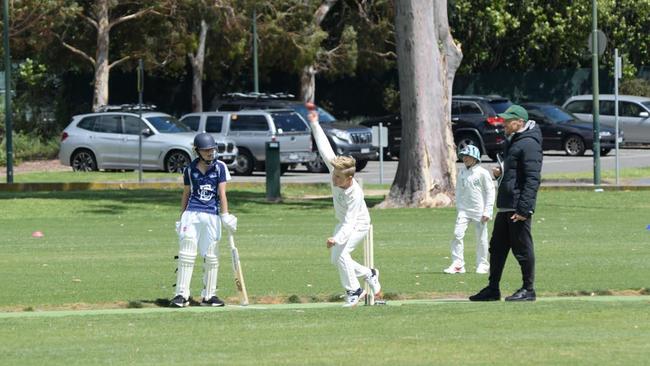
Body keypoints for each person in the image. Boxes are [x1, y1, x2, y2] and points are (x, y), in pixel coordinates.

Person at [307, 108, 381, 307]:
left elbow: (350, 223)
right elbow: (324, 149)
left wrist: (336, 238)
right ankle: (369, 273)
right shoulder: (336, 170)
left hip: (359, 224)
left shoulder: (355, 193)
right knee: (336, 259)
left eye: (338, 177)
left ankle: (354, 290)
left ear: (349, 178)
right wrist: (315, 124)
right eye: (334, 174)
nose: (333, 178)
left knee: (341, 254)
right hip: (344, 222)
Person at [469, 105, 542, 302]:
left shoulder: (529, 143)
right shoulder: (514, 141)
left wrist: (525, 209)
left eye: (508, 121)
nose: (504, 124)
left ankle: (529, 289)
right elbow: (516, 171)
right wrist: (502, 172)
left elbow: (532, 178)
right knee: (497, 248)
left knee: (522, 249)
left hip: (518, 206)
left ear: (519, 122)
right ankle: (493, 289)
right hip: (506, 204)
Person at [171, 133, 238, 307]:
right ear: (197, 151)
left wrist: (225, 215)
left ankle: (209, 296)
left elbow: (222, 194)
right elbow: (186, 193)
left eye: (212, 149)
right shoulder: (189, 169)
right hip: (192, 213)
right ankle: (181, 295)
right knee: (187, 253)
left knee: (211, 255)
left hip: (212, 214)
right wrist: (181, 218)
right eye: (206, 150)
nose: (210, 153)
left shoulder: (220, 167)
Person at [443, 144, 495, 275]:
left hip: (479, 211)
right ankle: (458, 264)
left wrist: (487, 211)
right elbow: (459, 191)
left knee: (481, 238)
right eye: (463, 156)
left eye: (468, 156)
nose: (465, 158)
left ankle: (483, 264)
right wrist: (459, 207)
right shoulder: (462, 172)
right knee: (457, 234)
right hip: (464, 211)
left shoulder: (482, 173)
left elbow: (490, 192)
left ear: (475, 158)